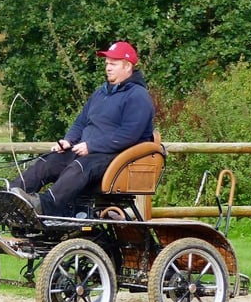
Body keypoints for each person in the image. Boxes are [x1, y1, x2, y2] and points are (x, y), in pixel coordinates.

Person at [10, 41, 155, 216]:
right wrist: (68, 141)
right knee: (48, 162)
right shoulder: (100, 93)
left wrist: (91, 146)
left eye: (113, 64)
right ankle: (10, 197)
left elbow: (129, 135)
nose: (108, 68)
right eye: (107, 63)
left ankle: (45, 205)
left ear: (128, 67)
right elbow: (80, 123)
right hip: (88, 152)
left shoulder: (138, 96)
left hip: (116, 157)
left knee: (79, 167)